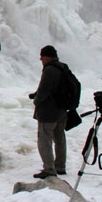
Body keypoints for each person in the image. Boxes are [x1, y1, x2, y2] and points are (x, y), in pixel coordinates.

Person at [30, 45, 68, 179]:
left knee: (44, 141)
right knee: (60, 139)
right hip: (61, 111)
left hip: (48, 112)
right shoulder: (63, 67)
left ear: (47, 57)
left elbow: (44, 90)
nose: (40, 59)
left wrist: (36, 101)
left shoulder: (49, 70)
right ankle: (60, 166)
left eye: (42, 56)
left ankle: (49, 169)